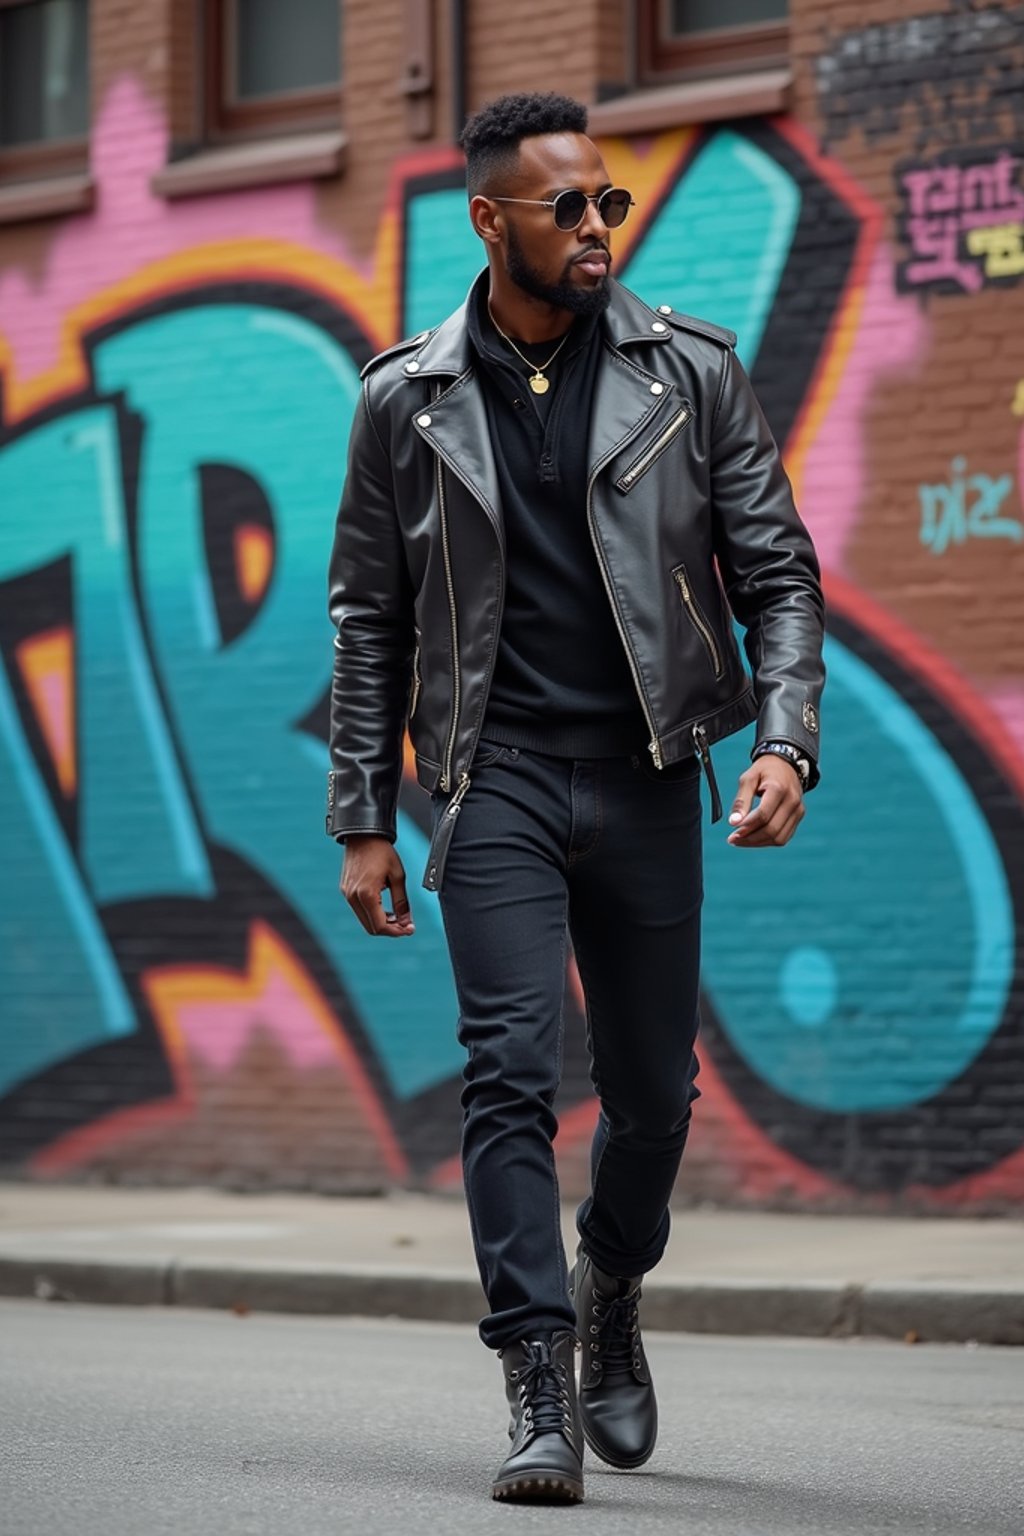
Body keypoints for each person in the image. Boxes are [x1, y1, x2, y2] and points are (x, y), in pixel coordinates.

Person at [326, 91, 825, 1504]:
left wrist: (784, 741)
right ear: (490, 221)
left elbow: (778, 576)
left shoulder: (692, 376)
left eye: (610, 202)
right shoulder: (406, 401)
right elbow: (367, 618)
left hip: (655, 771)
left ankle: (613, 1276)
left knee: (654, 1096)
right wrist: (365, 812)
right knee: (505, 1068)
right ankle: (536, 1373)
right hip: (493, 781)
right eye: (570, 207)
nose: (601, 226)